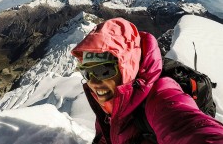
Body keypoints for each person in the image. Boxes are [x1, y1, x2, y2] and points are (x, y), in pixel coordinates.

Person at [71, 17, 223, 144]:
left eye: (103, 71)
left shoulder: (161, 95)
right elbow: (107, 134)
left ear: (127, 66)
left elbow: (188, 127)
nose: (93, 82)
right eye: (87, 73)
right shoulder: (110, 102)